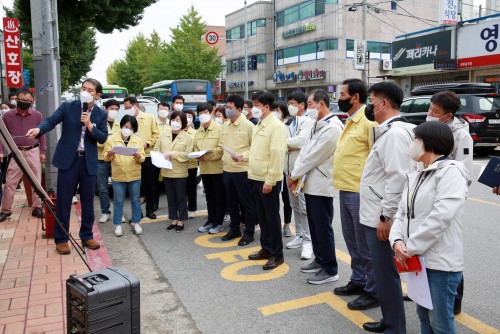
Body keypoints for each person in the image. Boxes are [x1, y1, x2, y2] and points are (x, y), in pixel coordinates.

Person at [390, 121, 467, 334]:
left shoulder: (451, 172)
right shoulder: (417, 174)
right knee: (423, 317)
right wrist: (396, 241)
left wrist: (409, 247)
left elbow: (440, 217)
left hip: (439, 264)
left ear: (429, 143)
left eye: (416, 139)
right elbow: (401, 213)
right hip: (416, 260)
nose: (412, 144)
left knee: (440, 323)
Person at [26, 78, 108, 255]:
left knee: (87, 201)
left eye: (91, 90)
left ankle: (86, 235)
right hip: (68, 161)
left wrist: (90, 125)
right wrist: (39, 129)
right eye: (83, 88)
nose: (86, 92)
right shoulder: (68, 107)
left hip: (88, 162)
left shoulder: (101, 114)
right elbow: (51, 121)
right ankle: (61, 238)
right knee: (63, 201)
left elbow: (103, 138)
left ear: (98, 95)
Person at [359, 81, 415, 334]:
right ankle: (390, 319)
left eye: (371, 101)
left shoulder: (393, 134)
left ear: (382, 103)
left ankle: (395, 326)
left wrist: (386, 216)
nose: (370, 106)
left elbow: (398, 177)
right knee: (384, 273)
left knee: (385, 273)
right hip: (378, 211)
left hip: (381, 216)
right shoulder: (392, 131)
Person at [333, 79, 379, 310]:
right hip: (346, 187)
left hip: (360, 190)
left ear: (355, 98)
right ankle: (359, 279)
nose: (338, 98)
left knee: (365, 246)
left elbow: (377, 157)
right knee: (352, 241)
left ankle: (373, 290)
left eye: (342, 94)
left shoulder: (368, 122)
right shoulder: (351, 120)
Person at [288, 89, 343, 283]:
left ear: (322, 104)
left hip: (321, 184)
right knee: (314, 225)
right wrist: (296, 173)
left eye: (310, 104)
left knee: (322, 227)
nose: (308, 107)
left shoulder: (333, 128)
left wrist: (294, 174)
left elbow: (314, 155)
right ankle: (320, 260)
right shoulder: (316, 124)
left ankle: (330, 269)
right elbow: (305, 151)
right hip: (310, 182)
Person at [426, 90, 473, 315]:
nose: (430, 113)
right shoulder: (434, 130)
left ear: (448, 115)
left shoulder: (461, 135)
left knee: (449, 250)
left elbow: (465, 171)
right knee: (428, 245)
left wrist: (452, 196)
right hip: (429, 196)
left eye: (435, 111)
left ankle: (454, 300)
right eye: (430, 109)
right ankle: (425, 289)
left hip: (450, 197)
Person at [243, 90, 287, 271]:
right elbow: (256, 150)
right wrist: (243, 156)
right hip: (255, 176)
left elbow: (277, 155)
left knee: (271, 218)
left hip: (267, 180)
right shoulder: (260, 124)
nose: (254, 109)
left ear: (266, 107)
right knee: (262, 217)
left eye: (256, 106)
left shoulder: (276, 126)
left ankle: (277, 254)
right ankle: (266, 248)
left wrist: (270, 180)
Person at [0, 89, 46, 222]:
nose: (24, 102)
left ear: (32, 101)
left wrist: (43, 152)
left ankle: (37, 208)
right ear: (16, 100)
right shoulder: (7, 116)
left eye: (28, 101)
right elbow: (2, 135)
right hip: (16, 152)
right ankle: (5, 210)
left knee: (36, 181)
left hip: (33, 151)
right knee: (10, 182)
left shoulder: (37, 115)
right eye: (21, 100)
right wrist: (1, 151)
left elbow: (41, 134)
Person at [219, 94, 256, 246]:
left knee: (247, 204)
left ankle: (249, 232)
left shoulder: (249, 126)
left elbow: (256, 148)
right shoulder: (225, 126)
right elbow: (221, 146)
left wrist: (243, 156)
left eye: (230, 108)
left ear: (240, 110)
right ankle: (234, 228)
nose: (227, 110)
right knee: (231, 202)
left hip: (242, 170)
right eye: (226, 107)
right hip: (227, 170)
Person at [117, 96, 159, 219]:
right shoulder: (126, 121)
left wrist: (148, 143)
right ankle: (137, 211)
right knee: (135, 185)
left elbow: (156, 135)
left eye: (129, 107)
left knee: (150, 184)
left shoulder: (149, 118)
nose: (127, 110)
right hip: (132, 157)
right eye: (125, 108)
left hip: (147, 155)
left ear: (136, 105)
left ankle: (150, 209)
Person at [283, 91, 314, 260]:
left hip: (300, 172)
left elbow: (302, 142)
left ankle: (308, 241)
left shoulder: (308, 122)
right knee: (294, 204)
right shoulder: (290, 122)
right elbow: (291, 142)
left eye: (294, 103)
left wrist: (285, 143)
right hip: (288, 171)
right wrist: (289, 144)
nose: (291, 106)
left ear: (302, 105)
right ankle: (300, 234)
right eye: (290, 103)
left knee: (303, 206)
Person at [103, 115, 145, 236]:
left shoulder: (137, 139)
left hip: (134, 175)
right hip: (118, 175)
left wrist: (138, 156)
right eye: (126, 126)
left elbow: (142, 158)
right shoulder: (112, 139)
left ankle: (136, 222)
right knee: (118, 201)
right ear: (121, 125)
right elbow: (105, 157)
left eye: (131, 128)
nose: (128, 129)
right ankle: (118, 225)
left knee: (136, 200)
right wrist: (110, 153)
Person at [154, 111, 193, 232]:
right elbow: (156, 149)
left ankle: (181, 220)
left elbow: (188, 155)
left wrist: (174, 154)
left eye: (178, 121)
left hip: (179, 172)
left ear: (183, 123)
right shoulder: (164, 134)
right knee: (171, 197)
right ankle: (174, 219)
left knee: (180, 197)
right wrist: (159, 157)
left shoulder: (187, 137)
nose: (175, 123)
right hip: (166, 171)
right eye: (173, 120)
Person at [195, 103, 225, 234]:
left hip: (217, 169)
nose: (203, 115)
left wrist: (205, 156)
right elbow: (196, 147)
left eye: (205, 112)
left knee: (219, 197)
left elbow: (220, 149)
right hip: (205, 169)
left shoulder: (219, 128)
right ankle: (210, 221)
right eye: (200, 113)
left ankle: (218, 223)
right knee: (209, 198)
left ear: (211, 113)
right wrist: (197, 155)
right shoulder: (199, 131)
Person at [97, 99, 120, 223]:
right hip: (101, 159)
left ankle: (119, 212)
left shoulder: (119, 125)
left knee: (118, 188)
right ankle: (105, 212)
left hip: (115, 160)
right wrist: (109, 140)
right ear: (106, 109)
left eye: (116, 109)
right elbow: (97, 142)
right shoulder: (99, 123)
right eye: (112, 109)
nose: (114, 111)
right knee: (103, 188)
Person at [273, 101, 293, 239]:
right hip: (275, 166)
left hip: (286, 167)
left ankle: (287, 224)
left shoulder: (289, 124)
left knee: (287, 199)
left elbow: (293, 143)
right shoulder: (271, 125)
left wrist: (283, 146)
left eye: (277, 110)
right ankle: (275, 225)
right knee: (274, 199)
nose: (275, 112)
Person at [153, 102, 171, 212]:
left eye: (165, 109)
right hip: (156, 156)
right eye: (161, 108)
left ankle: (172, 204)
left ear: (169, 111)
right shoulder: (153, 123)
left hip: (169, 156)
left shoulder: (172, 123)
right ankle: (154, 203)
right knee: (155, 183)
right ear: (157, 110)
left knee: (169, 182)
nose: (163, 110)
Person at [183, 109, 198, 218]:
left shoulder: (195, 133)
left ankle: (192, 208)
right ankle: (181, 209)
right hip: (178, 165)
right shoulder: (176, 130)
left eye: (190, 116)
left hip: (191, 164)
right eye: (186, 116)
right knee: (180, 189)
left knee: (191, 188)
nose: (188, 118)